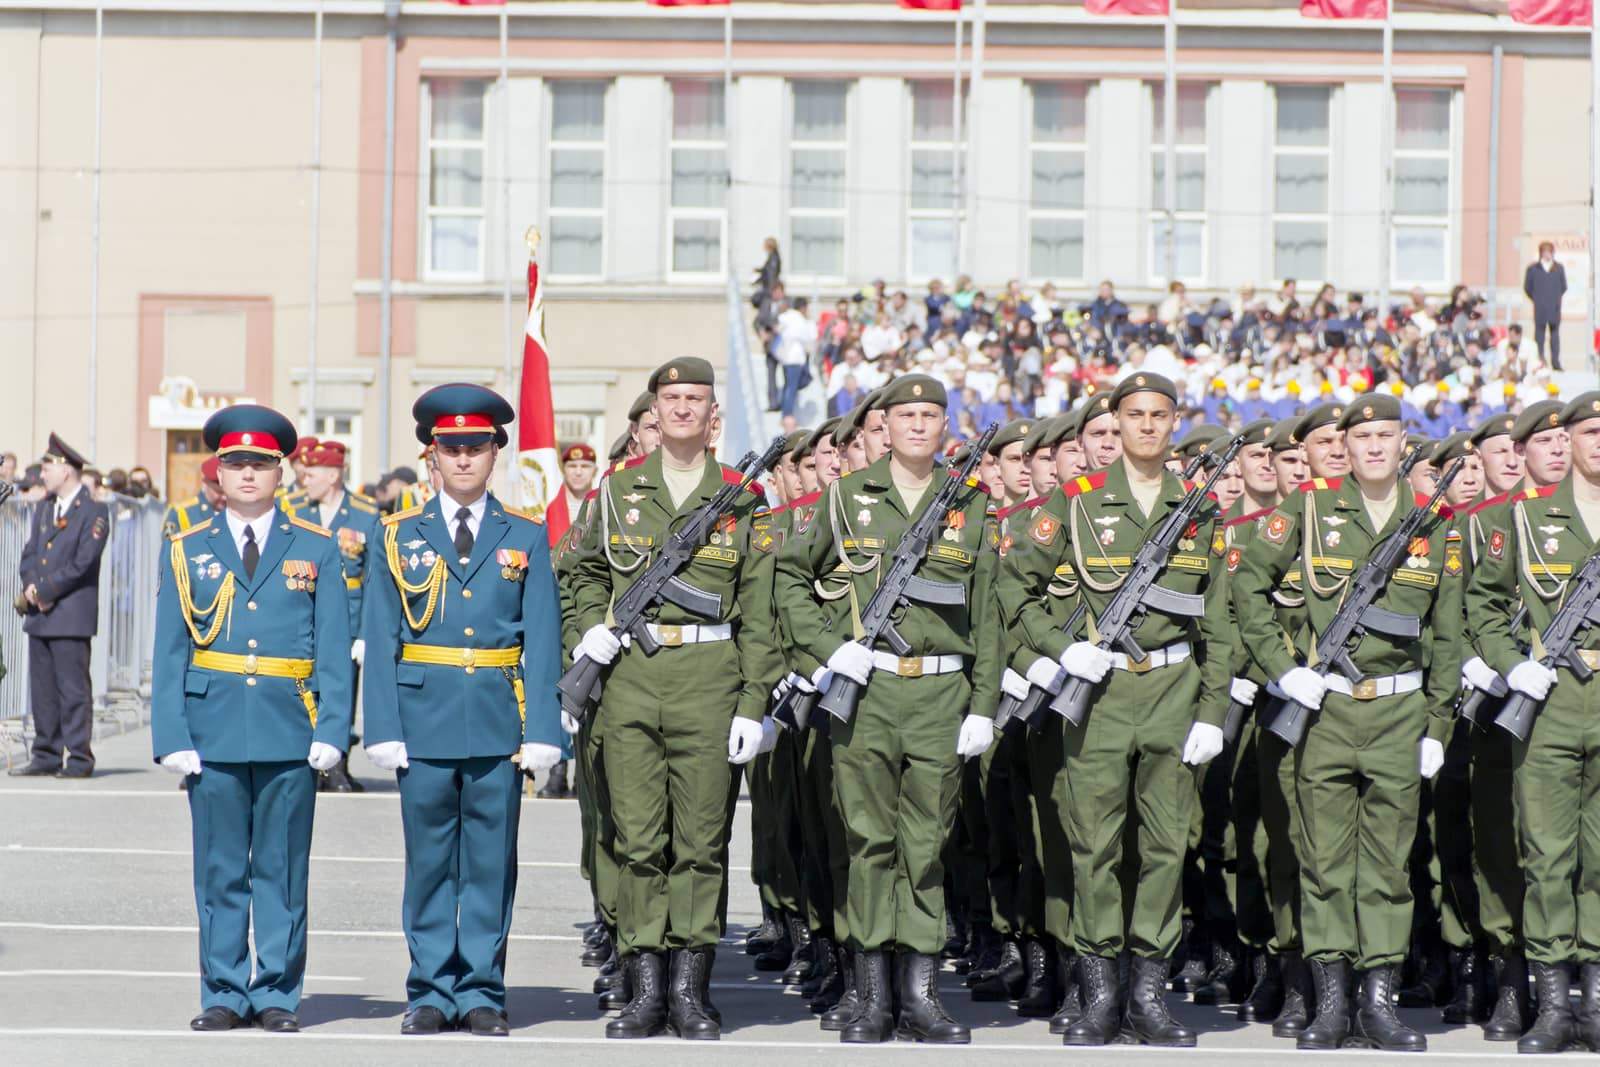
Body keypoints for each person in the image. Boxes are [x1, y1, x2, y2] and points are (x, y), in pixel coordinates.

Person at [998, 373, 1231, 1048]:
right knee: (1094, 846)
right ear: (1117, 424)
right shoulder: (1074, 504)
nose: (1149, 426)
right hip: (1096, 698)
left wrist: (1212, 711)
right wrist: (1061, 650)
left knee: (1163, 848)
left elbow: (1219, 621)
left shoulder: (1198, 509)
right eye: (1136, 415)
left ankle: (1148, 995)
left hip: (1171, 691)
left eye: (1160, 415)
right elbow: (1016, 592)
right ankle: (1099, 991)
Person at [1233, 394, 1463, 1052]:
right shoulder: (1307, 512)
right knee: (1324, 859)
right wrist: (1282, 667)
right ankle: (1331, 1000)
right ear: (1347, 445)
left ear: (1402, 445)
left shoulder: (1432, 523)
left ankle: (1379, 1001)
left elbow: (1446, 636)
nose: (1372, 447)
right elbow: (1248, 583)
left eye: (1385, 436)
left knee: (1389, 866)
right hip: (1326, 706)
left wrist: (1436, 728)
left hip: (1399, 710)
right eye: (1360, 437)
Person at [777, 374, 998, 1045]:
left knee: (926, 846)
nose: (919, 425)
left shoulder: (970, 504)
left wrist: (983, 703)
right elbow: (790, 576)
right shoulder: (847, 498)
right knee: (868, 842)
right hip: (867, 694)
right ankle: (872, 995)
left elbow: (986, 611)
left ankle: (922, 996)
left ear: (944, 426)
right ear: (886, 423)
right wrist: (827, 650)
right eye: (907, 414)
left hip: (939, 693)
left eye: (932, 414)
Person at [567, 357, 782, 1041]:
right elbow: (577, 574)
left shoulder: (746, 500)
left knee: (700, 841)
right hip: (630, 677)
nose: (684, 408)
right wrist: (586, 635)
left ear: (713, 413)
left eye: (696, 398)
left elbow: (763, 609)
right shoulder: (617, 492)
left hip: (711, 678)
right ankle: (645, 987)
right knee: (637, 841)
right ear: (653, 412)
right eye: (672, 398)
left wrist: (754, 703)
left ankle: (691, 989)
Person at [362, 383, 565, 1037]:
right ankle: (430, 986)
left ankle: (481, 987)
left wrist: (543, 729)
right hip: (422, 721)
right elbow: (382, 633)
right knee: (428, 862)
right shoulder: (397, 535)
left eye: (476, 446)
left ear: (495, 453)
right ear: (431, 456)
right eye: (452, 448)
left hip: (498, 721)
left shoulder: (525, 536)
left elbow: (541, 639)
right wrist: (382, 727)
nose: (464, 459)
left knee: (488, 862)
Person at [150, 405, 353, 1032]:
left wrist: (333, 730)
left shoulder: (315, 549)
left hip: (290, 725)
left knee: (282, 867)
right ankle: (223, 988)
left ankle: (277, 993)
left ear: (279, 472)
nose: (246, 474)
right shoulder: (187, 547)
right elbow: (169, 648)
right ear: (217, 471)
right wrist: (171, 734)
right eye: (235, 463)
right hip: (211, 730)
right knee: (219, 869)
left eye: (259, 464)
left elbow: (331, 648)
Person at [1467, 390, 1600, 1052]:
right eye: (1591, 430)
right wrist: (1509, 662)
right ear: (1566, 441)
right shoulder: (1523, 518)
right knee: (1547, 856)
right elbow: (1485, 602)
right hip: (1550, 702)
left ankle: (1595, 998)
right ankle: (1552, 1002)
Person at [11, 434, 110, 778]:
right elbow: (30, 554)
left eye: (47, 467)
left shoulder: (94, 512)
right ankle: (46, 753)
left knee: (72, 690)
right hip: (41, 613)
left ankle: (79, 757)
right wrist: (29, 585)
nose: (42, 475)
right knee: (43, 691)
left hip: (70, 613)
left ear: (65, 470)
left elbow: (83, 562)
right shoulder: (44, 508)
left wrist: (46, 588)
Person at [288, 440, 381, 793]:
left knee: (342, 689)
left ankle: (338, 765)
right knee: (305, 687)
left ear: (332, 475)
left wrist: (366, 632)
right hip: (304, 612)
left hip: (350, 614)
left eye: (311, 474)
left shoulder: (365, 513)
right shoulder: (294, 508)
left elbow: (374, 574)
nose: (304, 480)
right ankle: (305, 760)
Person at [1523, 241, 1567, 370]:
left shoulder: (1558, 268)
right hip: (1540, 308)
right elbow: (1527, 287)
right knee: (1539, 337)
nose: (1548, 254)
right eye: (1545, 251)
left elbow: (1563, 287)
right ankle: (1540, 361)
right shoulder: (1533, 269)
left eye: (1550, 251)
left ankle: (1555, 362)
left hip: (1554, 308)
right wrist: (1537, 298)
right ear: (1541, 253)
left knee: (1554, 337)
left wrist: (1555, 299)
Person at [163, 456, 225, 539]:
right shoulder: (181, 513)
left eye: (228, 493)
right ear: (205, 482)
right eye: (219, 492)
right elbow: (169, 549)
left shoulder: (238, 512)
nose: (225, 498)